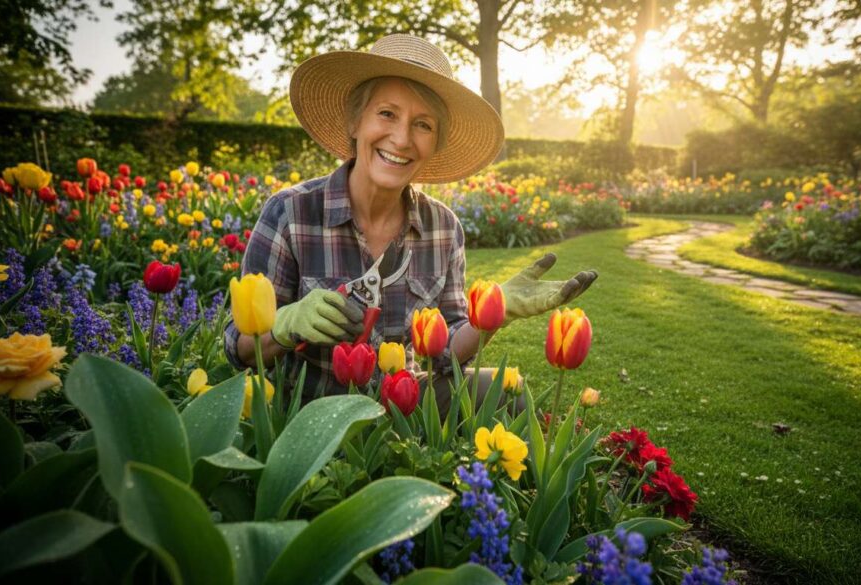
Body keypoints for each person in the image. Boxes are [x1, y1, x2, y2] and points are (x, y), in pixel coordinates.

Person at [224, 34, 597, 409]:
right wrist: (285, 324)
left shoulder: (443, 228)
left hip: (405, 403)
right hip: (313, 413)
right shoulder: (291, 213)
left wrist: (494, 314)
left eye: (423, 125)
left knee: (507, 395)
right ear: (355, 123)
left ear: (435, 144)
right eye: (386, 114)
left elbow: (447, 350)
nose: (401, 139)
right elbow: (239, 349)